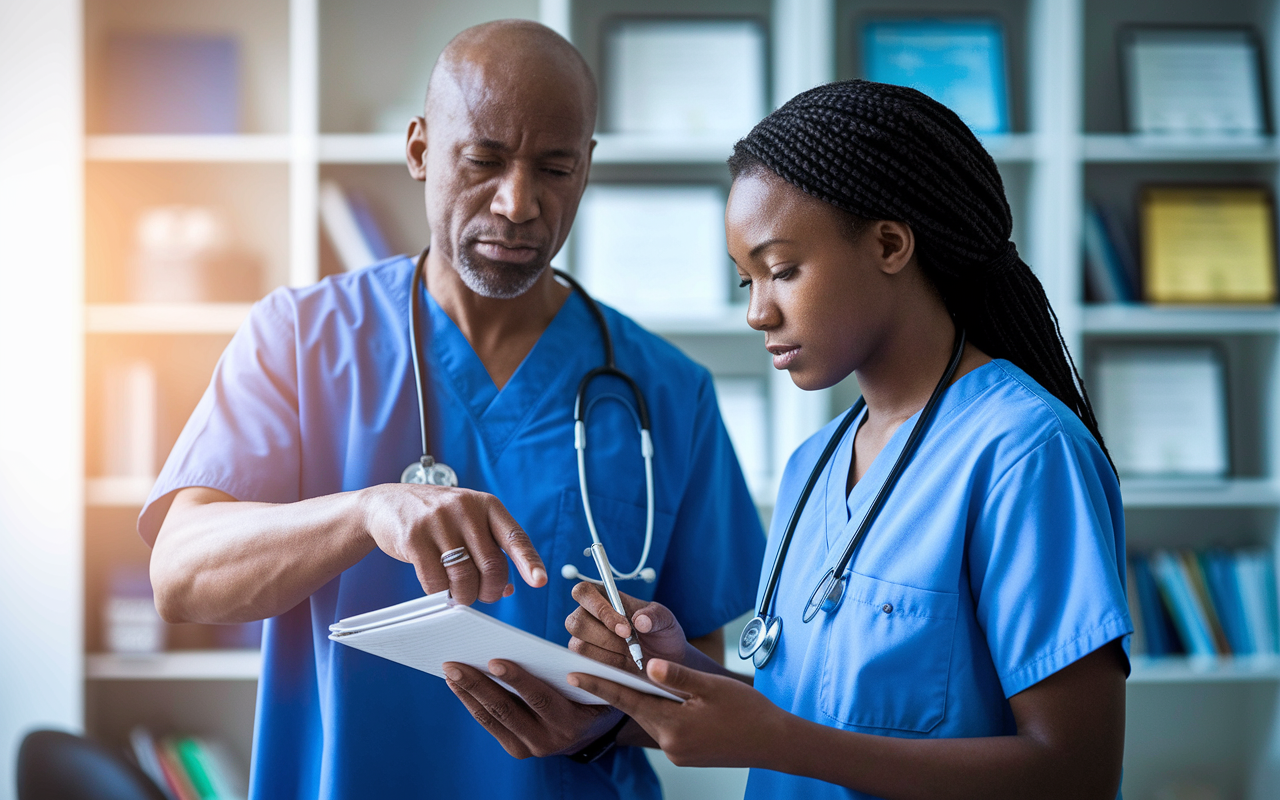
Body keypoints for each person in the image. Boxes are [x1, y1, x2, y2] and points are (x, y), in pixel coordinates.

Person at [141, 20, 764, 800]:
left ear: (587, 170)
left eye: (555, 168)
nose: (518, 203)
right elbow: (181, 572)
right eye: (484, 160)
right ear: (419, 150)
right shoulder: (298, 341)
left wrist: (605, 720)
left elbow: (695, 659)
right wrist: (366, 513)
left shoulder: (666, 389)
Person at [559, 80, 1131, 800]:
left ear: (889, 244)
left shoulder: (1023, 452)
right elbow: (818, 714)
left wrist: (775, 739)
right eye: (746, 283)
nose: (758, 313)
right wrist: (680, 676)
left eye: (783, 270)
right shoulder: (815, 464)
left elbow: (1074, 773)